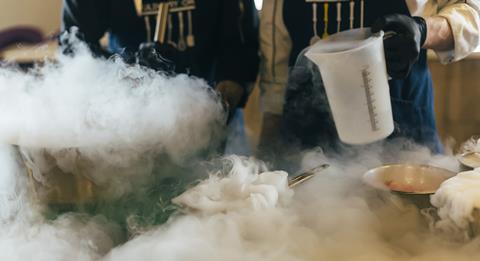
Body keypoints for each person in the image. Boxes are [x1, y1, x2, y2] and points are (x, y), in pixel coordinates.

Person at [258, 0, 480, 158]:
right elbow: (274, 56)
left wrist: (424, 30)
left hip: (402, 131)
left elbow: (471, 15)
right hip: (308, 137)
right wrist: (268, 149)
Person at [61, 0, 260, 155]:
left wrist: (221, 103)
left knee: (227, 196)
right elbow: (75, 46)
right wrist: (127, 67)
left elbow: (242, 44)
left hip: (215, 114)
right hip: (129, 118)